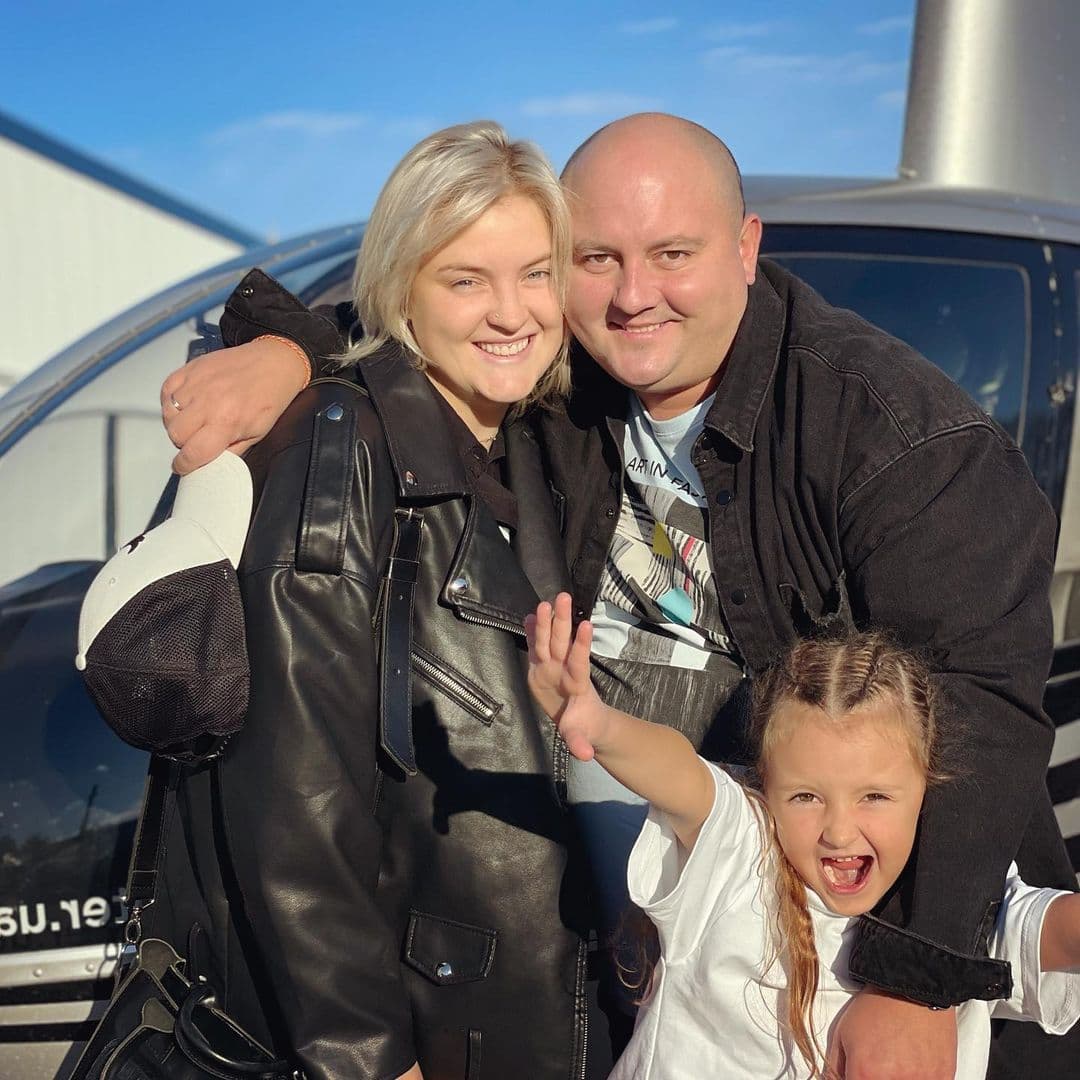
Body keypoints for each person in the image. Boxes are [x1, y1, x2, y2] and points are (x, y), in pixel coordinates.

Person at [157, 113, 1077, 1077]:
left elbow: (980, 711)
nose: (635, 297)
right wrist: (292, 351)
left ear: (746, 246)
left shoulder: (893, 435)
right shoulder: (571, 392)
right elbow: (431, 324)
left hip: (837, 993)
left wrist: (913, 980)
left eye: (673, 254)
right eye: (597, 259)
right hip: (648, 1010)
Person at [129, 120, 608, 1080]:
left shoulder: (526, 440)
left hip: (523, 1014)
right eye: (465, 280)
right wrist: (372, 1061)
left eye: (536, 273)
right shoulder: (341, 452)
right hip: (419, 1035)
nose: (511, 311)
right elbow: (294, 808)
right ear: (400, 291)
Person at [526, 593, 1080, 1079]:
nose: (838, 831)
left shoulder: (953, 900)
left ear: (928, 791)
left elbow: (1049, 931)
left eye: (874, 796)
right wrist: (601, 725)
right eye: (805, 797)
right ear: (764, 787)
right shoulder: (742, 852)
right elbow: (682, 775)